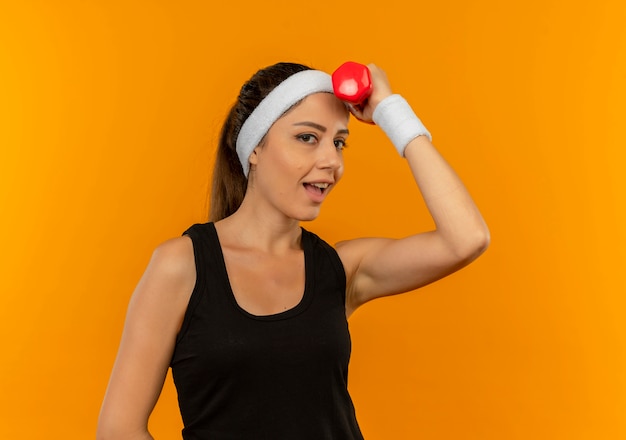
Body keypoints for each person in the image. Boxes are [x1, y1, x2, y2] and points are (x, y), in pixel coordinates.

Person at [97, 62, 489, 440]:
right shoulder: (181, 266)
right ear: (254, 147)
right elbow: (118, 431)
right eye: (307, 138)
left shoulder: (341, 269)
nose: (332, 162)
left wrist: (391, 111)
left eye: (339, 142)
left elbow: (466, 238)